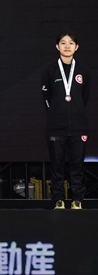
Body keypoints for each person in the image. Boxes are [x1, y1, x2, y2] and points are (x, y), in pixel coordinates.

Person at [41, 32, 91, 209]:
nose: (67, 46)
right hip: (56, 127)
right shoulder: (49, 70)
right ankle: (58, 199)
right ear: (57, 47)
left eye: (71, 43)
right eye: (63, 43)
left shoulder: (84, 71)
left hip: (78, 127)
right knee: (57, 166)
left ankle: (78, 199)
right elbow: (46, 98)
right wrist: (55, 114)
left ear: (76, 47)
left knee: (77, 166)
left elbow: (84, 97)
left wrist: (76, 112)